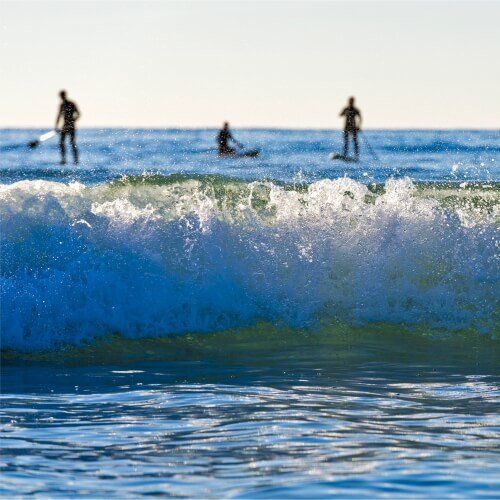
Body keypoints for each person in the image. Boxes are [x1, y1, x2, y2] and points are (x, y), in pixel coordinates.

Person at [55, 90, 80, 164]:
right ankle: (63, 159)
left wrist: (73, 121)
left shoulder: (71, 103)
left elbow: (78, 114)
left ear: (65, 95)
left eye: (62, 96)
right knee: (61, 143)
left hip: (71, 126)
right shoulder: (61, 105)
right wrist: (56, 126)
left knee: (72, 143)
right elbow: (59, 116)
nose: (61, 97)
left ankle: (76, 160)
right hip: (64, 125)